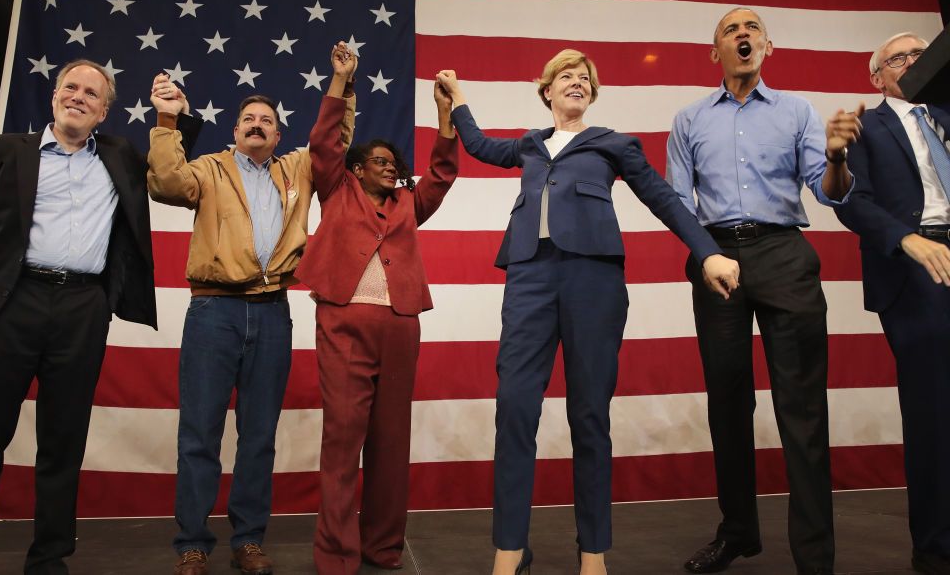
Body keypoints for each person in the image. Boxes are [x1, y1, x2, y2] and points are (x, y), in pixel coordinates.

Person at [436, 52, 741, 575]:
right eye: (566, 78)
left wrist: (707, 250)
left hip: (593, 281)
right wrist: (457, 101)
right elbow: (481, 146)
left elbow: (664, 198)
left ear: (592, 96)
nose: (577, 83)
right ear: (547, 92)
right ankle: (510, 549)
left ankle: (593, 551)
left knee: (590, 416)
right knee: (513, 409)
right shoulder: (530, 145)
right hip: (529, 277)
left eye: (585, 79)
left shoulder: (613, 144)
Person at [0, 60, 161, 574]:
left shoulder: (121, 157)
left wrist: (172, 117)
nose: (78, 97)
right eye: (70, 87)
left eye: (91, 93)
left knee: (63, 444)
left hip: (82, 309)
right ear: (54, 96)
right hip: (9, 306)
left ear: (104, 111)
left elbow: (170, 166)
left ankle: (49, 560)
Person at [665, 7, 862, 575]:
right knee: (728, 404)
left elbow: (830, 194)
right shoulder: (689, 119)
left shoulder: (798, 111)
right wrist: (706, 256)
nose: (743, 34)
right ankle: (738, 534)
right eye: (731, 29)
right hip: (715, 257)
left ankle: (815, 558)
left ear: (767, 46)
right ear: (715, 51)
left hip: (783, 253)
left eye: (752, 28)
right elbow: (678, 203)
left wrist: (836, 157)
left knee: (801, 409)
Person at [146, 45, 355, 575]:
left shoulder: (298, 169)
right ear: (234, 131)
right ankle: (192, 543)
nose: (257, 125)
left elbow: (332, 141)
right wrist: (168, 119)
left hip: (272, 311)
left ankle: (248, 540)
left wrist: (340, 83)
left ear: (279, 136)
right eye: (248, 119)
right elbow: (166, 184)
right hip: (213, 311)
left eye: (267, 120)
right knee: (200, 432)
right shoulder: (209, 169)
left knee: (259, 434)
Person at [295, 45, 459, 574]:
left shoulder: (410, 203)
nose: (392, 170)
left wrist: (444, 115)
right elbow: (323, 143)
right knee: (343, 440)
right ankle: (337, 556)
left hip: (399, 328)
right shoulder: (336, 189)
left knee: (391, 443)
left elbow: (441, 173)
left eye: (396, 165)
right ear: (358, 167)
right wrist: (341, 80)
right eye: (381, 163)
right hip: (343, 324)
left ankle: (382, 548)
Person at [834, 31, 950, 575]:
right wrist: (908, 240)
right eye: (900, 57)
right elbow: (851, 200)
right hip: (914, 262)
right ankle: (937, 542)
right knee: (934, 409)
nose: (913, 62)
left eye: (921, 53)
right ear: (876, 77)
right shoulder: (867, 127)